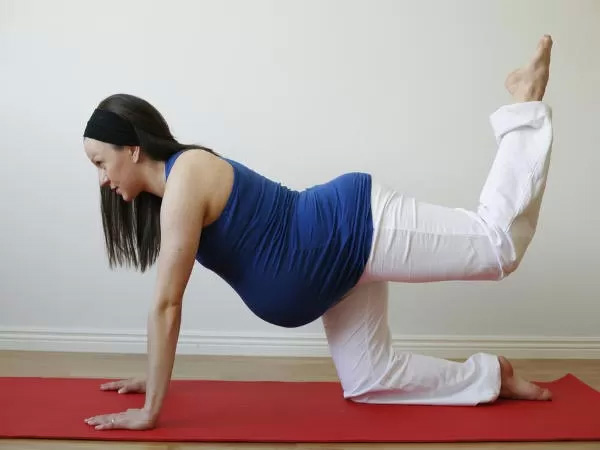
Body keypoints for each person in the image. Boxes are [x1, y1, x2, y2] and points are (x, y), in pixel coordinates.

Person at [84, 35, 554, 431]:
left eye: (101, 163)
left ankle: (524, 106)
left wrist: (150, 411)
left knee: (498, 247)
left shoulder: (186, 174)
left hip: (353, 227)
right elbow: (166, 304)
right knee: (369, 379)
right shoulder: (173, 196)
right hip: (335, 275)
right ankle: (492, 376)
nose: (102, 179)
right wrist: (155, 378)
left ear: (133, 149)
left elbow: (167, 304)